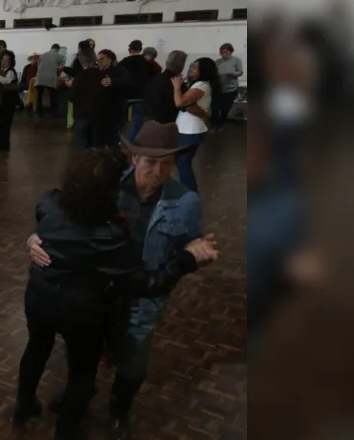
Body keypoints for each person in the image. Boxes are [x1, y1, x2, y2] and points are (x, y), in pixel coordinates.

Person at [28, 121, 215, 440]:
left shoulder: (185, 202)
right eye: (151, 163)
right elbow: (67, 221)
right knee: (84, 357)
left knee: (133, 365)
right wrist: (34, 238)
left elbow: (190, 246)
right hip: (98, 297)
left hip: (144, 298)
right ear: (134, 159)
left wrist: (196, 253)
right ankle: (80, 398)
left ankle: (119, 409)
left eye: (167, 163)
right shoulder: (107, 187)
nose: (158, 172)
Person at [173, 57, 220, 193]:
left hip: (191, 129)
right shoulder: (199, 84)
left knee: (183, 162)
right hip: (190, 127)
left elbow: (180, 103)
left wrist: (176, 88)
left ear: (203, 71)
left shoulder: (200, 86)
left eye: (194, 67)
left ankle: (190, 193)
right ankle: (188, 191)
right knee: (182, 161)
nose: (190, 69)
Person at [121, 40, 159, 141]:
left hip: (125, 96)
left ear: (129, 50)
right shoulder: (148, 64)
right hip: (141, 96)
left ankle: (117, 143)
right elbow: (154, 78)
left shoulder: (124, 62)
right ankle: (132, 144)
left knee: (119, 121)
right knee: (136, 123)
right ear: (141, 50)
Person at [142, 50, 188, 126]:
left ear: (167, 63)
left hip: (149, 120)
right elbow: (184, 105)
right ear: (181, 66)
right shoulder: (177, 83)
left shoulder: (155, 78)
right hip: (168, 123)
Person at [0, 51, 20, 152]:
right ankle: (2, 143)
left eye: (7, 60)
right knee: (1, 123)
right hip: (3, 100)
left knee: (5, 123)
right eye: (3, 59)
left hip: (9, 101)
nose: (5, 62)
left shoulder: (11, 72)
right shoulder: (2, 70)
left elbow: (6, 81)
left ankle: (4, 145)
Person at [212, 43, 244, 130]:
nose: (224, 55)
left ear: (231, 51)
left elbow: (240, 72)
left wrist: (232, 74)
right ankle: (213, 125)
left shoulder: (237, 60)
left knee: (225, 109)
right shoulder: (217, 62)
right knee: (215, 108)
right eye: (222, 53)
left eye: (226, 52)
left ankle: (220, 124)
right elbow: (213, 73)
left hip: (230, 89)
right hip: (218, 88)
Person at [34, 44, 63, 113]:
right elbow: (60, 68)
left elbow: (38, 67)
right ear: (58, 49)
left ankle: (38, 110)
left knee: (39, 94)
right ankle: (54, 112)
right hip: (50, 78)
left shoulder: (42, 55)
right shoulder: (58, 56)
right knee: (53, 94)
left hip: (40, 78)